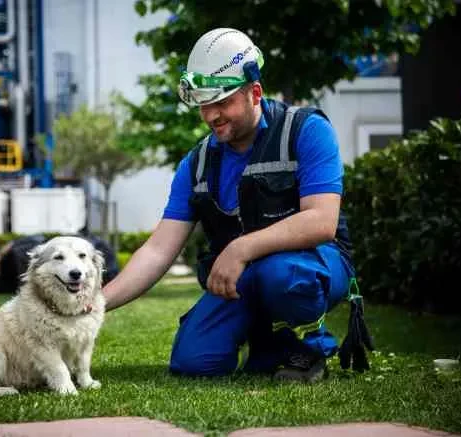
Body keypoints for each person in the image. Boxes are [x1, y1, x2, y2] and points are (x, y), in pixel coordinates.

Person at [103, 28, 362, 382]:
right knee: (193, 362)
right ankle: (266, 343)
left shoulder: (306, 130)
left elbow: (321, 221)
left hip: (314, 264)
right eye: (203, 105)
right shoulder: (195, 164)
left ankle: (307, 348)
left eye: (222, 102)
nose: (211, 115)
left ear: (255, 92)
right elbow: (157, 251)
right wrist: (96, 304)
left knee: (283, 276)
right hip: (244, 278)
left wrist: (241, 248)